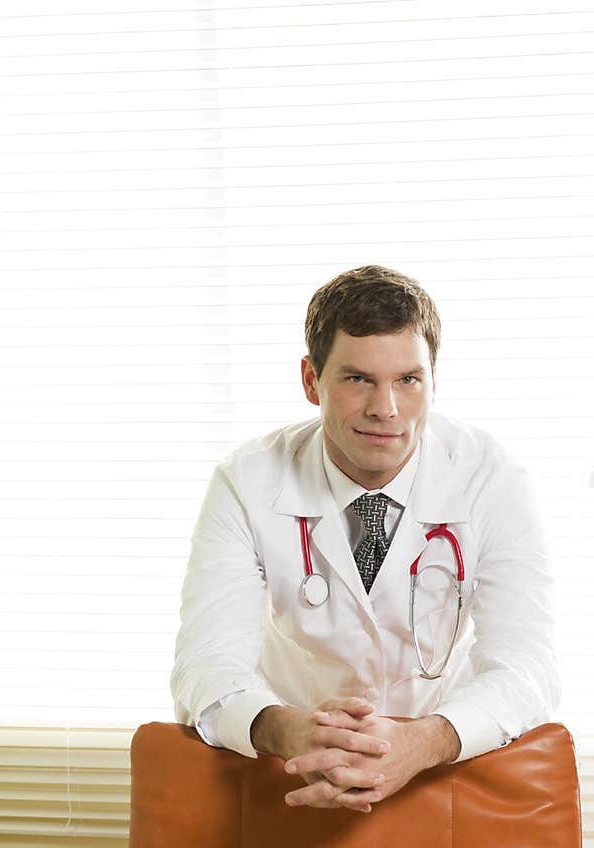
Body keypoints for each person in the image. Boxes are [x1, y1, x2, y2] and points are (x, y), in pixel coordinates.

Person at [172, 265, 559, 814]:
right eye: (358, 380)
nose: (387, 410)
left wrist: (423, 740)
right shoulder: (247, 481)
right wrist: (287, 731)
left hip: (444, 776)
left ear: (432, 380)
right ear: (311, 381)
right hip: (295, 779)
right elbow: (204, 662)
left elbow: (528, 667)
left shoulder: (491, 479)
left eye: (408, 380)